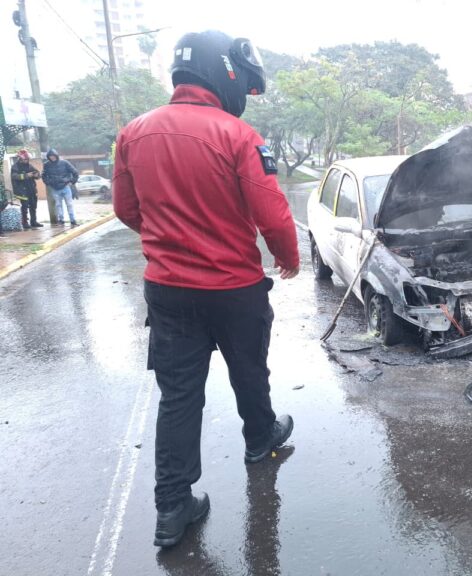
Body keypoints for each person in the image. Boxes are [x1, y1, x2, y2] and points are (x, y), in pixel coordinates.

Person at [112, 30, 300, 549]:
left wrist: (169, 241)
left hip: (167, 290)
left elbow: (127, 211)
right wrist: (287, 257)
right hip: (234, 288)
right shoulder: (238, 135)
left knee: (178, 397)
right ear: (225, 73)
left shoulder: (133, 132)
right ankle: (260, 439)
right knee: (248, 369)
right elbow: (271, 213)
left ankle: (172, 509)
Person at [42, 148, 78, 226]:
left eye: (53, 156)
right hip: (55, 188)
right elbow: (44, 175)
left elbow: (75, 172)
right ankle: (61, 220)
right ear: (48, 157)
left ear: (56, 155)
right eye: (50, 156)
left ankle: (73, 220)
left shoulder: (64, 163)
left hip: (65, 187)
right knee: (58, 205)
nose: (52, 157)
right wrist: (48, 183)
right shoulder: (46, 165)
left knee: (69, 204)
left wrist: (72, 182)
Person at [11, 149, 44, 229]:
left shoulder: (29, 166)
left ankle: (33, 222)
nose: (26, 160)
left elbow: (37, 173)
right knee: (25, 206)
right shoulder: (15, 166)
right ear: (20, 158)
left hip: (31, 189)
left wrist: (37, 175)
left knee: (33, 206)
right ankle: (25, 223)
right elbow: (14, 176)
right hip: (22, 190)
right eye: (25, 159)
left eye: (27, 159)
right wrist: (26, 175)